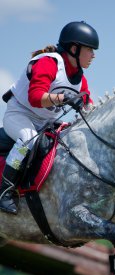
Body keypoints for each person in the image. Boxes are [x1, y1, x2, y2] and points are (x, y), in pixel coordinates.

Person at [0, 21, 99, 215]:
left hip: (46, 122)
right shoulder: (49, 63)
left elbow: (89, 106)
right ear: (74, 48)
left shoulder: (80, 78)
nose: (93, 56)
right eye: (90, 50)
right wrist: (64, 98)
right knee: (28, 139)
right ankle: (4, 191)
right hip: (19, 115)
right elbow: (36, 97)